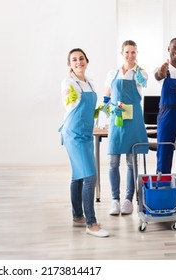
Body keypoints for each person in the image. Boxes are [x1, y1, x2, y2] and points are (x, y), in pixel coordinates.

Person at [59, 48, 109, 238]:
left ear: (86, 60)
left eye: (81, 58)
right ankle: (91, 223)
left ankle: (78, 216)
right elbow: (69, 104)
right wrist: (69, 98)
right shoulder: (68, 82)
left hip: (86, 132)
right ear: (70, 65)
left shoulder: (90, 82)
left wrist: (99, 115)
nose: (78, 62)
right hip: (73, 133)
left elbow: (89, 108)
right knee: (90, 176)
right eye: (74, 60)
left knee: (79, 176)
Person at [104, 40, 149, 215]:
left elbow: (143, 83)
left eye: (133, 52)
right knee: (113, 162)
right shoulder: (112, 73)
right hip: (118, 120)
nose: (130, 55)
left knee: (132, 163)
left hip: (134, 120)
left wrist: (137, 72)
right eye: (127, 52)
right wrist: (107, 114)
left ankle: (128, 200)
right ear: (121, 53)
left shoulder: (141, 73)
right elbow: (107, 97)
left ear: (137, 53)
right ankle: (115, 200)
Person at [153, 37, 176, 178]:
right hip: (166, 116)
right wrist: (161, 72)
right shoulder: (163, 69)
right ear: (169, 49)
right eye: (175, 48)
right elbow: (158, 76)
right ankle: (162, 189)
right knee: (164, 152)